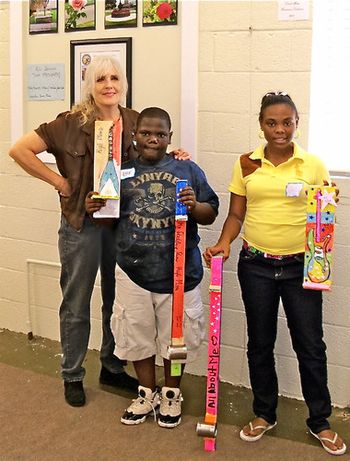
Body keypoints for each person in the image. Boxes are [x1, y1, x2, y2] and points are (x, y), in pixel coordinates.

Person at [8, 56, 188, 408]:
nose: (109, 84)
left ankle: (111, 364)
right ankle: (72, 374)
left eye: (115, 78)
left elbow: (155, 156)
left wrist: (177, 154)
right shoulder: (69, 124)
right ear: (90, 84)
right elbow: (19, 150)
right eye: (101, 78)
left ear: (123, 83)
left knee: (116, 300)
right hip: (82, 225)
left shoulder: (136, 121)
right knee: (76, 303)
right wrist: (61, 182)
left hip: (123, 227)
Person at [203, 92, 346, 456]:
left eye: (287, 122)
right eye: (272, 123)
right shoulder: (247, 163)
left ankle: (320, 421)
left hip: (301, 266)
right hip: (257, 266)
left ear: (297, 123)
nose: (279, 130)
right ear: (261, 125)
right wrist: (224, 243)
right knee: (260, 343)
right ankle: (265, 413)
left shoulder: (312, 164)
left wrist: (330, 201)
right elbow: (236, 214)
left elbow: (321, 215)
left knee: (310, 345)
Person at [86, 107, 219, 428]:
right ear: (135, 136)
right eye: (146, 133)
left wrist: (194, 205)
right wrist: (96, 209)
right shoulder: (118, 173)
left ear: (170, 138)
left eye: (160, 134)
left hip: (179, 275)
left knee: (177, 340)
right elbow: (107, 222)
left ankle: (172, 393)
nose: (153, 139)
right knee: (136, 335)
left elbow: (210, 212)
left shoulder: (187, 169)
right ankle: (146, 391)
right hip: (133, 271)